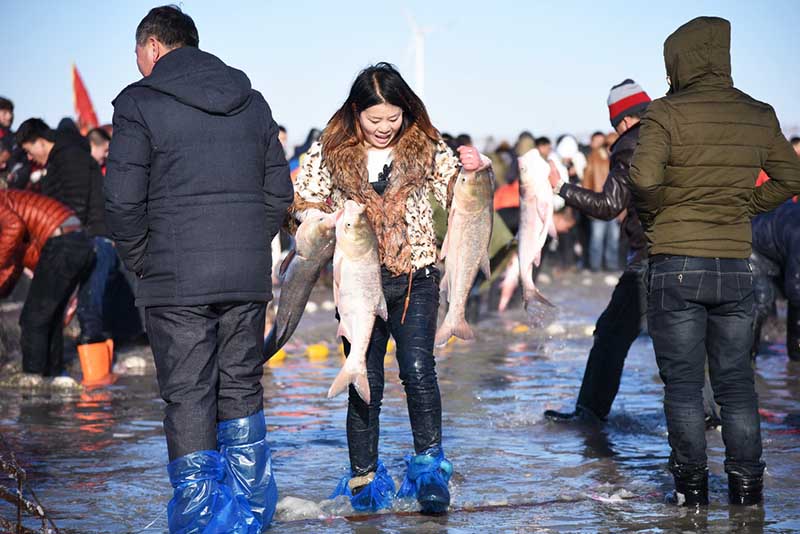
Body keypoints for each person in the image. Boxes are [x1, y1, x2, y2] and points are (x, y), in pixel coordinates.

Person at [104, 6, 293, 532]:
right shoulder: (252, 103)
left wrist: (144, 262)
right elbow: (278, 192)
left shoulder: (138, 103)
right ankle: (253, 512)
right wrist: (245, 246)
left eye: (137, 51)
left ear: (155, 47)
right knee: (241, 385)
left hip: (173, 278)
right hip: (243, 274)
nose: (137, 62)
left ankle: (201, 520)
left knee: (188, 393)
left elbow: (120, 202)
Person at [292, 62, 490, 514]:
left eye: (393, 118)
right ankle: (364, 474)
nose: (384, 128)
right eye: (374, 119)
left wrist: (477, 167)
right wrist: (317, 220)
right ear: (356, 113)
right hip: (358, 281)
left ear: (406, 111)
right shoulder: (330, 150)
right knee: (366, 376)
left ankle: (429, 468)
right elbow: (302, 202)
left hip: (417, 273)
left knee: (418, 368)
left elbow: (460, 188)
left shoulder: (426, 145)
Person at [629, 17, 800, 507]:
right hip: (734, 263)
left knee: (683, 388)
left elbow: (642, 181)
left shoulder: (665, 112)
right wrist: (745, 206)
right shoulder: (758, 112)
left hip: (676, 264)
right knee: (737, 386)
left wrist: (661, 218)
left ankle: (692, 497)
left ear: (679, 61)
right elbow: (791, 178)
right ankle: (748, 495)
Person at [544, 79, 651, 424]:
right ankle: (710, 419)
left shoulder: (631, 143)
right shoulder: (678, 134)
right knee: (682, 347)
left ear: (622, 121)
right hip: (698, 255)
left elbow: (609, 205)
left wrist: (561, 187)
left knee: (610, 334)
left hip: (650, 259)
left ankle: (589, 414)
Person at [16, 118, 116, 383]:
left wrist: (68, 240)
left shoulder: (68, 157)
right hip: (85, 239)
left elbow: (74, 204)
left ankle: (96, 382)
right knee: (74, 309)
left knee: (88, 309)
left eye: (29, 150)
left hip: (87, 238)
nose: (30, 157)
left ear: (39, 140)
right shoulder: (67, 157)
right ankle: (92, 382)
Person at [0, 190, 95, 386]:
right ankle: (54, 376)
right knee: (50, 317)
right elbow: (16, 260)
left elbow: (14, 226)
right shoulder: (9, 207)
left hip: (61, 242)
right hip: (77, 241)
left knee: (33, 319)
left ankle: (32, 378)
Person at [751, 198, 800, 361]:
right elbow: (796, 291)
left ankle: (795, 359)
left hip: (779, 245)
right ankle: (746, 359)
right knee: (761, 302)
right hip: (755, 245)